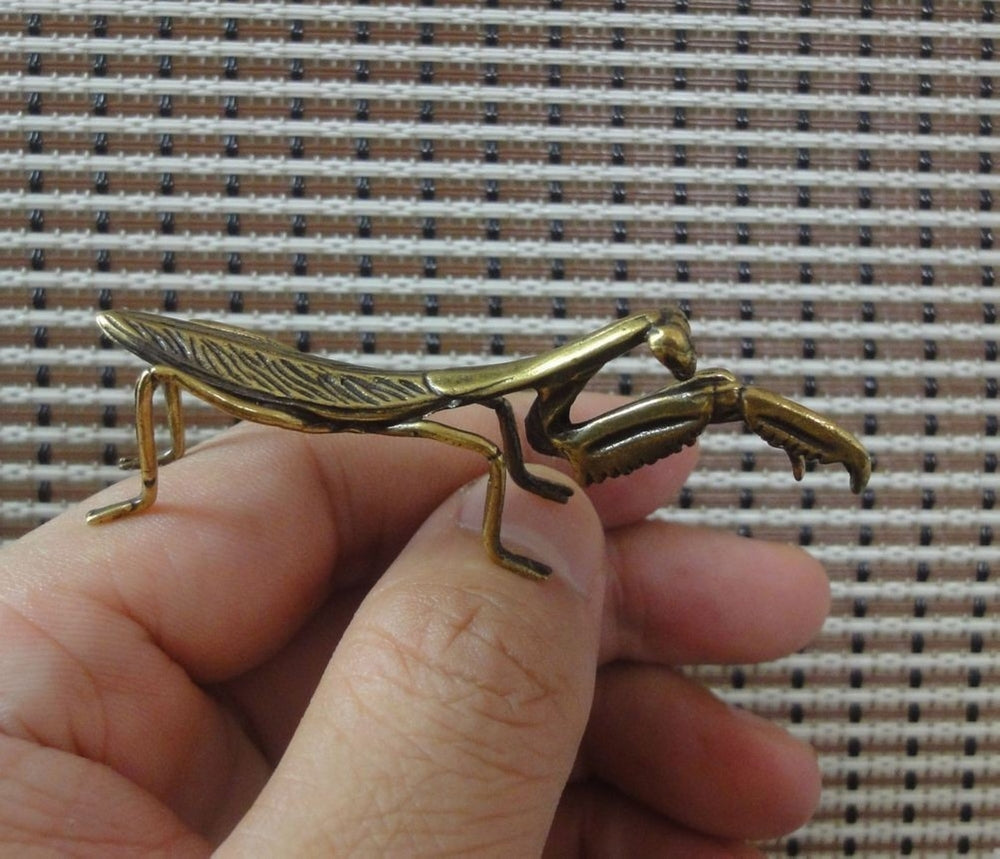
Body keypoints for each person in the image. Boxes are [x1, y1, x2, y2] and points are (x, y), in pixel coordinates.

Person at [0, 394, 830, 855]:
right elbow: (529, 457)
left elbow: (548, 444)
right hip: (353, 400)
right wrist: (479, 622)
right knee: (505, 472)